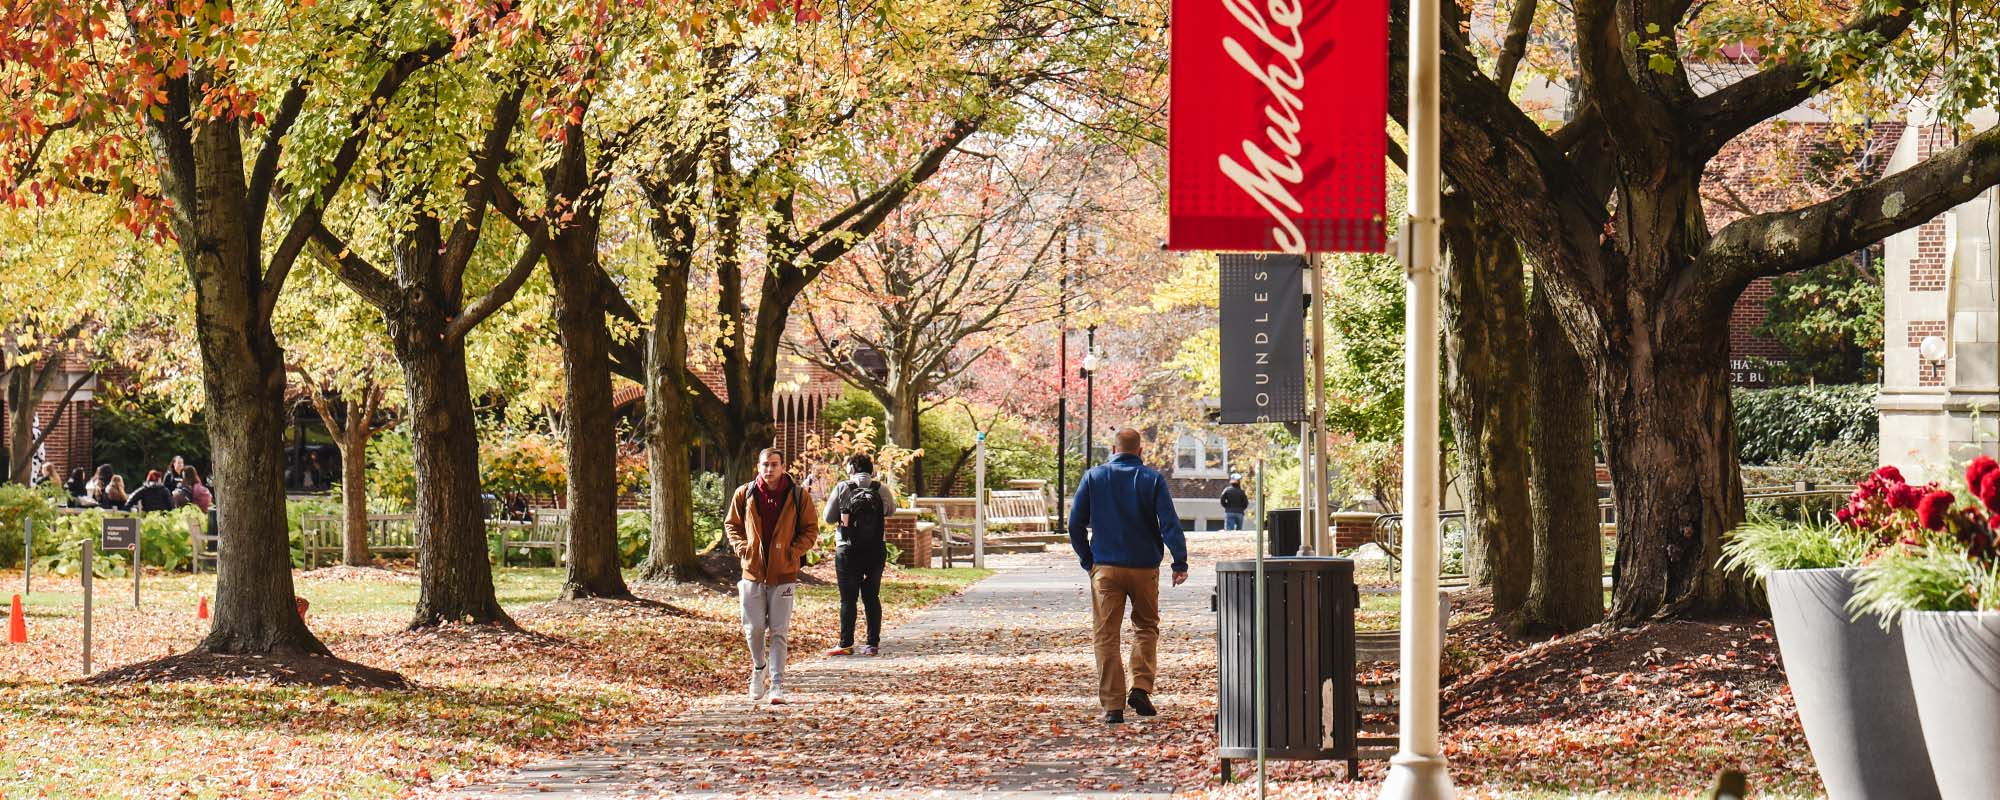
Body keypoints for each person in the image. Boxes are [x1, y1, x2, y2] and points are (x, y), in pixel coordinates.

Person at [1068, 428, 1190, 725]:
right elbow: (1169, 524)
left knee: (1106, 635)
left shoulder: (1094, 477)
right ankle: (1140, 687)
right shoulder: (1152, 479)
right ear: (1140, 451)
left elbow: (1075, 524)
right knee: (1146, 627)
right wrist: (1179, 562)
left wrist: (1088, 560)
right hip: (1145, 567)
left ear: (1113, 448)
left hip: (1106, 567)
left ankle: (1113, 706)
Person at [724, 447, 820, 705]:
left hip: (784, 574)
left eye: (774, 464)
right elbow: (731, 524)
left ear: (782, 466)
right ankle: (759, 668)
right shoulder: (745, 494)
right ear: (758, 466)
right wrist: (743, 549)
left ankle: (777, 685)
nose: (769, 469)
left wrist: (793, 552)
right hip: (752, 572)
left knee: (779, 631)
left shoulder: (798, 496)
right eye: (765, 464)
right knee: (753, 629)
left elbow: (810, 529)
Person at [821, 453, 896, 657]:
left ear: (851, 469)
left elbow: (828, 518)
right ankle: (872, 644)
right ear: (870, 470)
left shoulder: (843, 487)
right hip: (875, 548)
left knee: (848, 599)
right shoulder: (881, 489)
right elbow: (891, 511)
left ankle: (845, 643)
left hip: (847, 549)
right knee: (872, 597)